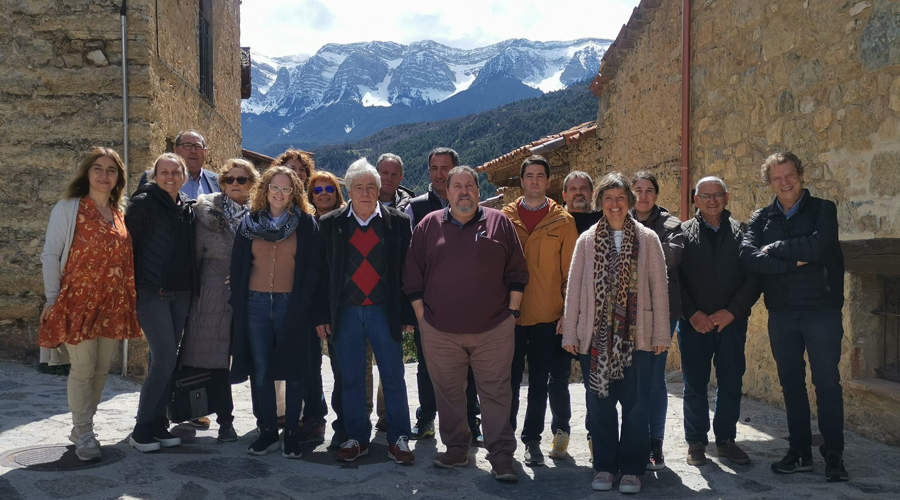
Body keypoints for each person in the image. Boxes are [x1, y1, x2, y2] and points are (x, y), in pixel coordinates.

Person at [403, 166, 529, 482]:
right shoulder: (428, 226)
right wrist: (422, 317)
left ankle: (501, 456)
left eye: (469, 185)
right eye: (456, 186)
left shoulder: (499, 222)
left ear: (477, 190)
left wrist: (513, 313)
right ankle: (457, 449)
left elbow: (517, 270)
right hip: (439, 330)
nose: (463, 191)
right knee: (448, 392)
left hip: (495, 329)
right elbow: (412, 275)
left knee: (497, 393)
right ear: (446, 192)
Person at [740, 152, 848, 482]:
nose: (784, 182)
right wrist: (789, 261)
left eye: (790, 175)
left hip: (821, 311)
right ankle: (799, 452)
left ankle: (834, 456)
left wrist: (773, 249)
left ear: (801, 176)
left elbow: (817, 248)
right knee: (792, 386)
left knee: (827, 384)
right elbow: (747, 255)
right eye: (777, 178)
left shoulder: (823, 209)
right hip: (782, 314)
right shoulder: (762, 217)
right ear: (769, 183)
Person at [561, 172, 670, 494]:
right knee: (599, 406)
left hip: (637, 337)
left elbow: (659, 288)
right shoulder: (587, 240)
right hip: (594, 338)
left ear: (630, 201)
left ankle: (634, 470)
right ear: (600, 203)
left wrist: (661, 334)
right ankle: (606, 467)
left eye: (621, 197)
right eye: (608, 198)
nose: (614, 204)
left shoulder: (648, 239)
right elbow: (575, 289)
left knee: (637, 406)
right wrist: (570, 333)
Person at [39, 147, 142, 461]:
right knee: (82, 369)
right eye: (98, 168)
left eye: (111, 170)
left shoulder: (119, 212)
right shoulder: (69, 208)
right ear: (87, 173)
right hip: (78, 301)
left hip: (112, 303)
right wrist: (52, 299)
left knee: (100, 370)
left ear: (118, 178)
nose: (104, 174)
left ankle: (82, 426)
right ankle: (84, 432)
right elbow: (51, 255)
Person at [314, 159, 415, 464]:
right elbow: (321, 273)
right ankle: (357, 437)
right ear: (349, 190)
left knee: (393, 375)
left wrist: (408, 314)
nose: (366, 192)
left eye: (371, 186)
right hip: (344, 312)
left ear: (379, 188)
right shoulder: (330, 223)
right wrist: (321, 315)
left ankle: (399, 438)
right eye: (359, 187)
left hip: (384, 311)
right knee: (352, 378)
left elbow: (407, 270)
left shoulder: (397, 222)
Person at [229, 166, 323, 459]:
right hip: (255, 303)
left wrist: (304, 304)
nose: (279, 194)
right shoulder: (250, 222)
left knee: (294, 369)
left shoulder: (306, 224)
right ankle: (268, 430)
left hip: (290, 304)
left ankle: (291, 432)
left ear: (294, 193)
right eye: (274, 188)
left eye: (286, 189)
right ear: (265, 190)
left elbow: (313, 269)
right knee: (261, 370)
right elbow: (238, 264)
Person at [678, 176, 759, 468]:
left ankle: (725, 440)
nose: (712, 200)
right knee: (694, 385)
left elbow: (753, 278)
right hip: (693, 324)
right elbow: (673, 279)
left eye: (717, 195)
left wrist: (732, 311)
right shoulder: (681, 233)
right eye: (705, 195)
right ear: (695, 200)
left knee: (731, 383)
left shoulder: (744, 233)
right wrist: (692, 313)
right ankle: (697, 442)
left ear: (726, 197)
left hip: (730, 324)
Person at [404, 148, 483, 445]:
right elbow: (411, 259)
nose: (438, 174)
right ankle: (426, 418)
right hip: (430, 305)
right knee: (427, 364)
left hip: (467, 305)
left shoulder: (473, 208)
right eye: (434, 168)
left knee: (469, 365)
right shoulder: (415, 208)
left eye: (444, 169)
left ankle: (471, 421)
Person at [503, 155, 578, 465]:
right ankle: (504, 439)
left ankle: (531, 440)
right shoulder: (503, 218)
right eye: (529, 176)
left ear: (549, 182)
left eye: (540, 176)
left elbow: (570, 274)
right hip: (510, 317)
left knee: (538, 383)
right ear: (521, 182)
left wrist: (567, 314)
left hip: (548, 318)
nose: (534, 181)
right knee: (506, 382)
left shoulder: (563, 221)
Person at [180, 158, 259, 442]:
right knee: (212, 360)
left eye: (242, 179)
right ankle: (222, 420)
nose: (235, 185)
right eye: (230, 180)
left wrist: (244, 274)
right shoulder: (206, 213)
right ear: (222, 183)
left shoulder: (260, 215)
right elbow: (194, 255)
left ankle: (264, 417)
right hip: (211, 290)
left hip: (249, 292)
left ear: (252, 184)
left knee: (249, 357)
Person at [126, 153, 197, 452]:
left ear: (183, 176)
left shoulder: (186, 208)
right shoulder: (142, 204)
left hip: (180, 294)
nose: (169, 177)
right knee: (165, 358)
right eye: (163, 172)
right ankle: (141, 427)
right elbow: (129, 248)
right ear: (155, 176)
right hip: (151, 292)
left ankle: (158, 423)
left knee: (163, 360)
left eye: (175, 172)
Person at [630, 171, 684, 470]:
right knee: (626, 377)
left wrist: (632, 253)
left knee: (652, 378)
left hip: (662, 311)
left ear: (656, 194)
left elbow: (671, 256)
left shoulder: (670, 224)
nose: (643, 195)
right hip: (624, 310)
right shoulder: (615, 219)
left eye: (649, 190)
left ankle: (655, 444)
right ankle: (629, 439)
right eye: (637, 190)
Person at [138, 130, 220, 198]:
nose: (193, 151)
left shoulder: (217, 182)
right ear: (176, 150)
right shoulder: (152, 177)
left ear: (205, 152)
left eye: (197, 146)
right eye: (187, 146)